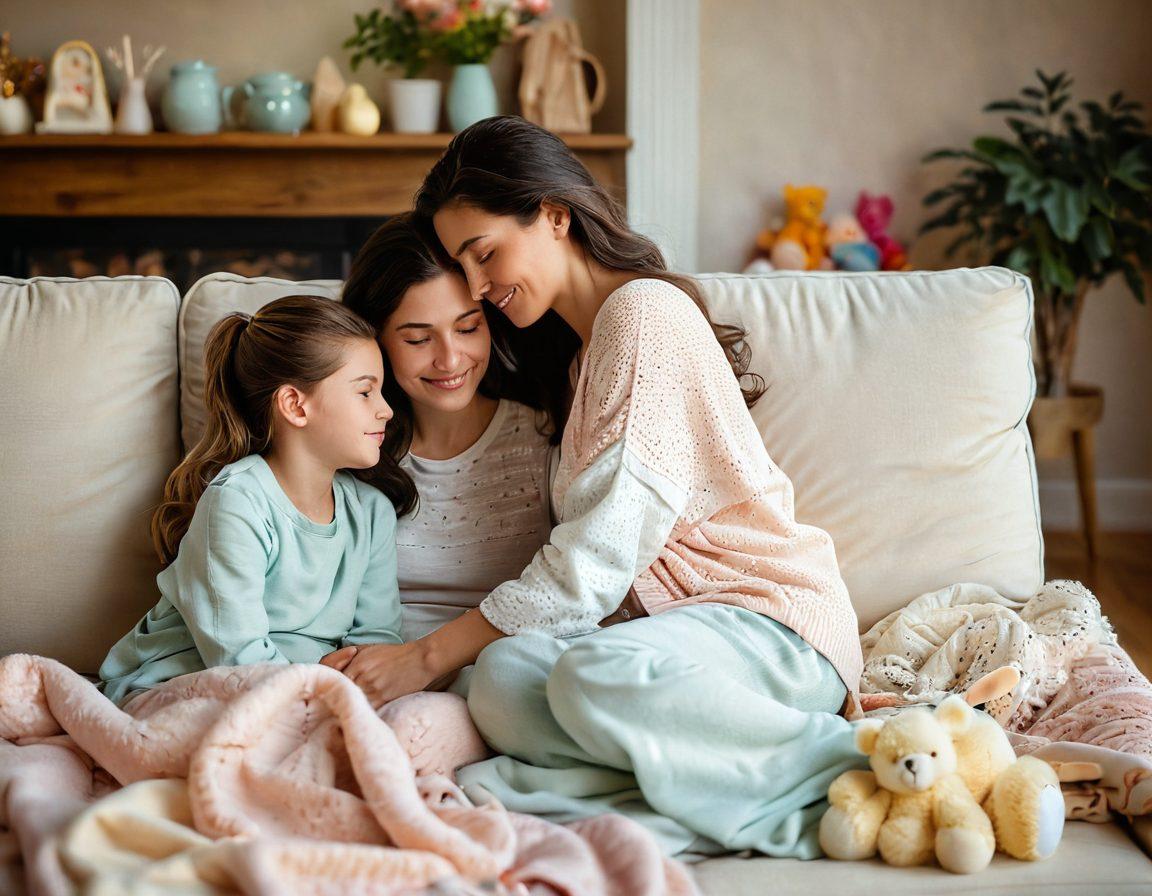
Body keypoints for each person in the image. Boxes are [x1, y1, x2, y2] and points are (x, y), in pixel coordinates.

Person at [333, 115, 868, 859]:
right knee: (504, 678)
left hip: (766, 625)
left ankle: (859, 767)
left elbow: (594, 561)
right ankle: (693, 803)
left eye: (484, 255)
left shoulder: (645, 315)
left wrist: (424, 657)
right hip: (670, 650)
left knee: (587, 670)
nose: (480, 289)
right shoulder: (585, 355)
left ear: (554, 214)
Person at [99, 295, 404, 707]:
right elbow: (237, 658)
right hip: (187, 682)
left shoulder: (371, 513)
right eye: (365, 392)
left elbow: (378, 643)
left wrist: (351, 687)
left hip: (307, 691)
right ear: (295, 405)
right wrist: (318, 694)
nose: (385, 410)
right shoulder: (237, 502)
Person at [336, 214, 568, 669]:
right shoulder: (354, 446)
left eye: (467, 328)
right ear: (377, 343)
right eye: (418, 338)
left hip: (504, 675)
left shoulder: (543, 438)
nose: (450, 360)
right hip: (373, 676)